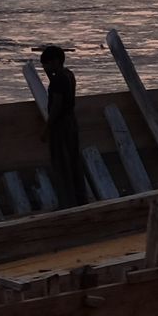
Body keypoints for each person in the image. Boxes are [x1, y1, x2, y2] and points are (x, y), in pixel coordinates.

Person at [39, 44, 91, 208]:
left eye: (46, 64)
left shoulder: (57, 80)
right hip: (71, 122)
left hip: (60, 125)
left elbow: (56, 106)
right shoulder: (69, 75)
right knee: (73, 160)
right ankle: (80, 199)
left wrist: (47, 128)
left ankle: (68, 202)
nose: (45, 68)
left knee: (61, 164)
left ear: (54, 62)